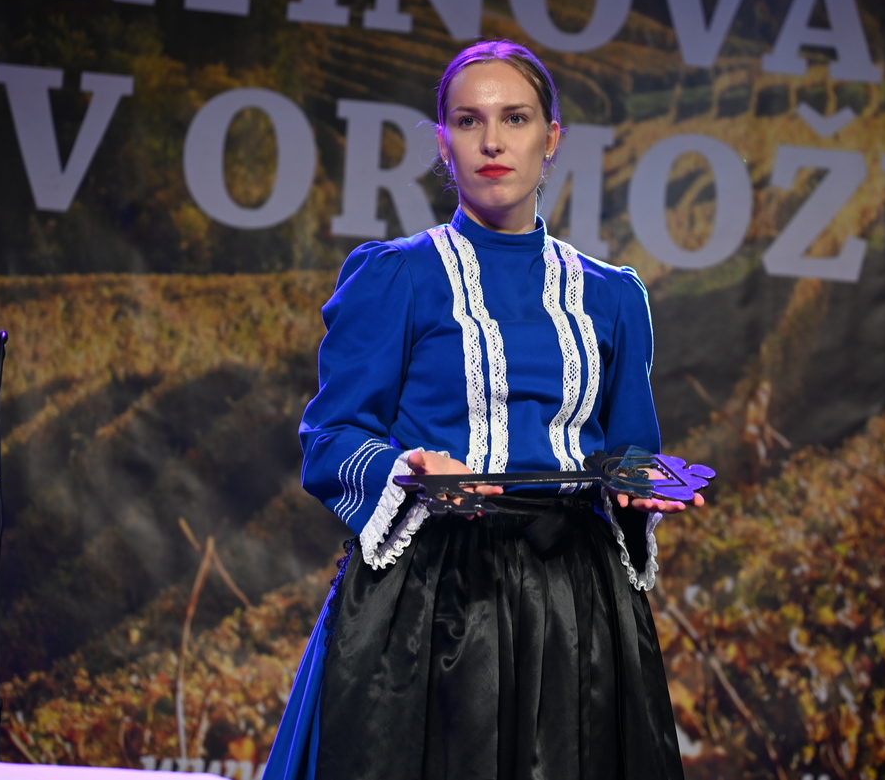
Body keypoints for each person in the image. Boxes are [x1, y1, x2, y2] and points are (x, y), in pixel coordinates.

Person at [263, 39, 700, 780]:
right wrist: (408, 469)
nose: (493, 141)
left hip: (575, 602)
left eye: (515, 118)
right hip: (433, 596)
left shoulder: (613, 296)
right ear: (444, 142)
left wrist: (639, 486)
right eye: (469, 121)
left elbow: (629, 452)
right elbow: (330, 437)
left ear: (551, 138)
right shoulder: (397, 276)